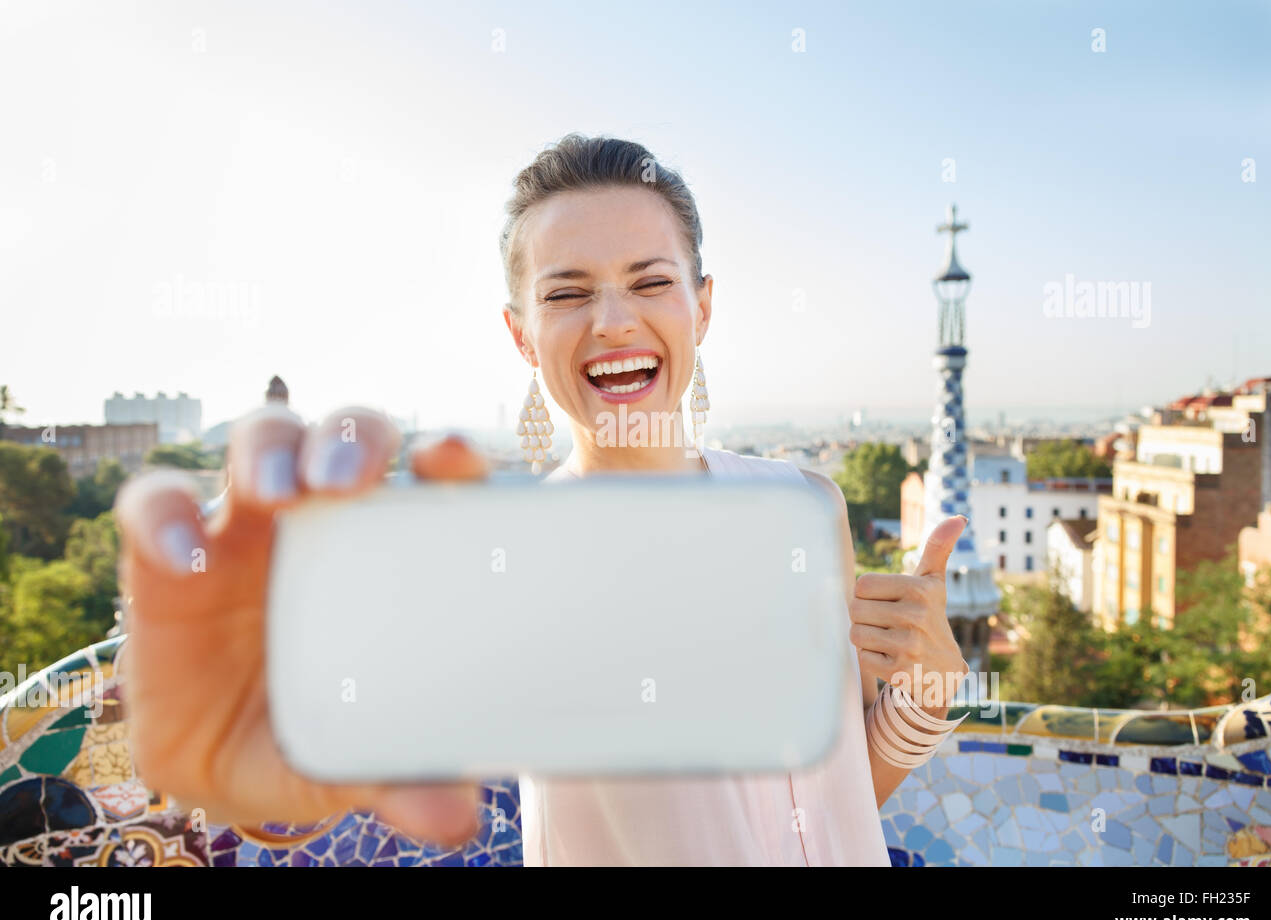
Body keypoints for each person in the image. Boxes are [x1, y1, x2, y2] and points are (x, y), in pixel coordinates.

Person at [114, 133, 970, 866]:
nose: (613, 320)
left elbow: (839, 790)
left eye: (650, 281)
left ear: (701, 307)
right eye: (566, 293)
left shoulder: (807, 508)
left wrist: (926, 693)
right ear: (521, 332)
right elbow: (305, 778)